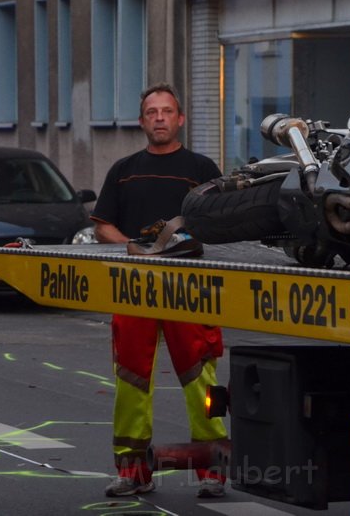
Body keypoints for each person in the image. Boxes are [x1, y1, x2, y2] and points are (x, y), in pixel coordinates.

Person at [91, 82, 228, 499]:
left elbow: (221, 223)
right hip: (134, 288)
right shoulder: (123, 170)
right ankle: (132, 473)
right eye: (152, 113)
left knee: (201, 381)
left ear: (180, 119)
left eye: (167, 112)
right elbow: (102, 225)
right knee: (131, 381)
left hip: (190, 288)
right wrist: (132, 249)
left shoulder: (202, 169)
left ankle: (213, 472)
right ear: (142, 122)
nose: (160, 119)